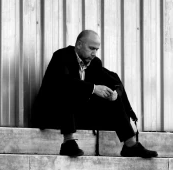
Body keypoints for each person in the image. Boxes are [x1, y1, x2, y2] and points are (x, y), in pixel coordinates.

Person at [31, 30, 158, 158]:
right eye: (91, 48)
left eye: (96, 49)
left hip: (76, 117)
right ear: (79, 44)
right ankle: (68, 142)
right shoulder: (62, 56)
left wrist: (115, 94)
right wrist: (93, 88)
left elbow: (114, 81)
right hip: (51, 114)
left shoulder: (94, 62)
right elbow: (64, 83)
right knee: (69, 90)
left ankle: (130, 145)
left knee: (111, 98)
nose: (94, 53)